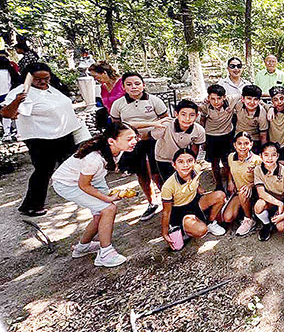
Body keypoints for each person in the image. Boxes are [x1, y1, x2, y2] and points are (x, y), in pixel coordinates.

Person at [51, 123, 138, 267]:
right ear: (111, 141)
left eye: (134, 138)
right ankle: (105, 254)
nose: (134, 141)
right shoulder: (94, 159)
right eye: (129, 139)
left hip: (94, 178)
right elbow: (84, 185)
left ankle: (82, 247)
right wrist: (107, 198)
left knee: (100, 213)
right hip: (68, 183)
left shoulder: (116, 148)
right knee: (108, 209)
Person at [1, 62, 80, 216]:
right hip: (41, 138)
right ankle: (31, 206)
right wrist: (17, 101)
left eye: (46, 78)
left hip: (63, 133)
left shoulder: (51, 87)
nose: (43, 82)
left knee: (70, 163)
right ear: (29, 78)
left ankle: (74, 191)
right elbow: (7, 113)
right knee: (43, 171)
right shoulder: (21, 91)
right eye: (38, 79)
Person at [110, 72, 170, 221]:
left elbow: (166, 121)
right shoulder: (118, 104)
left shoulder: (154, 101)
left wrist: (152, 132)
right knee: (141, 173)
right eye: (129, 84)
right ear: (123, 87)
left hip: (154, 140)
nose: (134, 87)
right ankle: (152, 203)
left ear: (143, 85)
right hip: (132, 144)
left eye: (137, 83)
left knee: (157, 172)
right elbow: (118, 126)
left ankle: (169, 201)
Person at [160, 148, 227, 249]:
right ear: (174, 165)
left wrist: (199, 188)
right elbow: (166, 212)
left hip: (195, 202)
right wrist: (165, 233)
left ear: (194, 162)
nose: (186, 165)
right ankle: (184, 228)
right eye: (180, 162)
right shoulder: (168, 186)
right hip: (179, 211)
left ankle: (210, 222)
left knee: (220, 195)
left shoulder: (196, 169)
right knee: (201, 230)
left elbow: (196, 179)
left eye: (190, 161)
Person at [152, 99, 206, 182]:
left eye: (192, 115)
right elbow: (153, 137)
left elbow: (195, 147)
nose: (187, 118)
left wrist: (191, 162)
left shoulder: (199, 130)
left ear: (196, 115)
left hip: (182, 159)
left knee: (185, 182)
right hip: (164, 158)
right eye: (183, 114)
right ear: (176, 114)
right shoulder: (166, 125)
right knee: (168, 182)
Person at [223, 131, 263, 236]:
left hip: (255, 192)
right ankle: (244, 210)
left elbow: (264, 179)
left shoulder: (257, 160)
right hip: (238, 192)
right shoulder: (231, 157)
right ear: (234, 145)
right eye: (239, 143)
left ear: (251, 144)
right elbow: (230, 170)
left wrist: (251, 185)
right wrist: (230, 181)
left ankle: (249, 219)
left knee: (243, 191)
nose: (242, 147)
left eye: (246, 143)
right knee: (227, 218)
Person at [200, 84, 237, 189]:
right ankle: (218, 184)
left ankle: (230, 182)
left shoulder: (231, 100)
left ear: (224, 97)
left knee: (227, 161)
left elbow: (246, 95)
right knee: (214, 162)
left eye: (219, 98)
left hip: (227, 135)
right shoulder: (205, 107)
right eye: (213, 99)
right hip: (211, 136)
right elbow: (202, 120)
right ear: (208, 98)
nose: (216, 102)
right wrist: (203, 139)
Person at [253, 142, 284, 241]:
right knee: (258, 206)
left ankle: (280, 218)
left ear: (277, 156)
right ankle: (266, 224)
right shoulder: (258, 170)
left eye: (273, 155)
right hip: (269, 200)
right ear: (261, 156)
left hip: (282, 199)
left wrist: (283, 212)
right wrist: (279, 204)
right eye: (266, 155)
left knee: (281, 227)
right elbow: (261, 193)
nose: (269, 158)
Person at [88, 61, 125, 131]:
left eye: (95, 76)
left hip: (126, 119)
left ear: (104, 73)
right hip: (113, 121)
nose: (95, 79)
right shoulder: (103, 87)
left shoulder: (123, 83)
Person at [233, 84, 268, 154]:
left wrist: (263, 152)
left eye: (255, 99)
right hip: (238, 137)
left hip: (253, 140)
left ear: (259, 100)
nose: (252, 102)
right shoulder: (238, 104)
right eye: (249, 98)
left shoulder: (261, 113)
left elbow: (263, 135)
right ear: (243, 99)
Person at [267, 86, 284, 165]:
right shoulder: (267, 109)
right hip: (273, 145)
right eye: (275, 100)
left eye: (282, 98)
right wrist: (271, 108)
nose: (279, 102)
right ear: (272, 101)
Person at [0, 53, 22, 141]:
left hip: (2, 95)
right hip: (9, 94)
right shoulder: (10, 71)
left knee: (5, 115)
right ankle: (18, 133)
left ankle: (7, 133)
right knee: (14, 114)